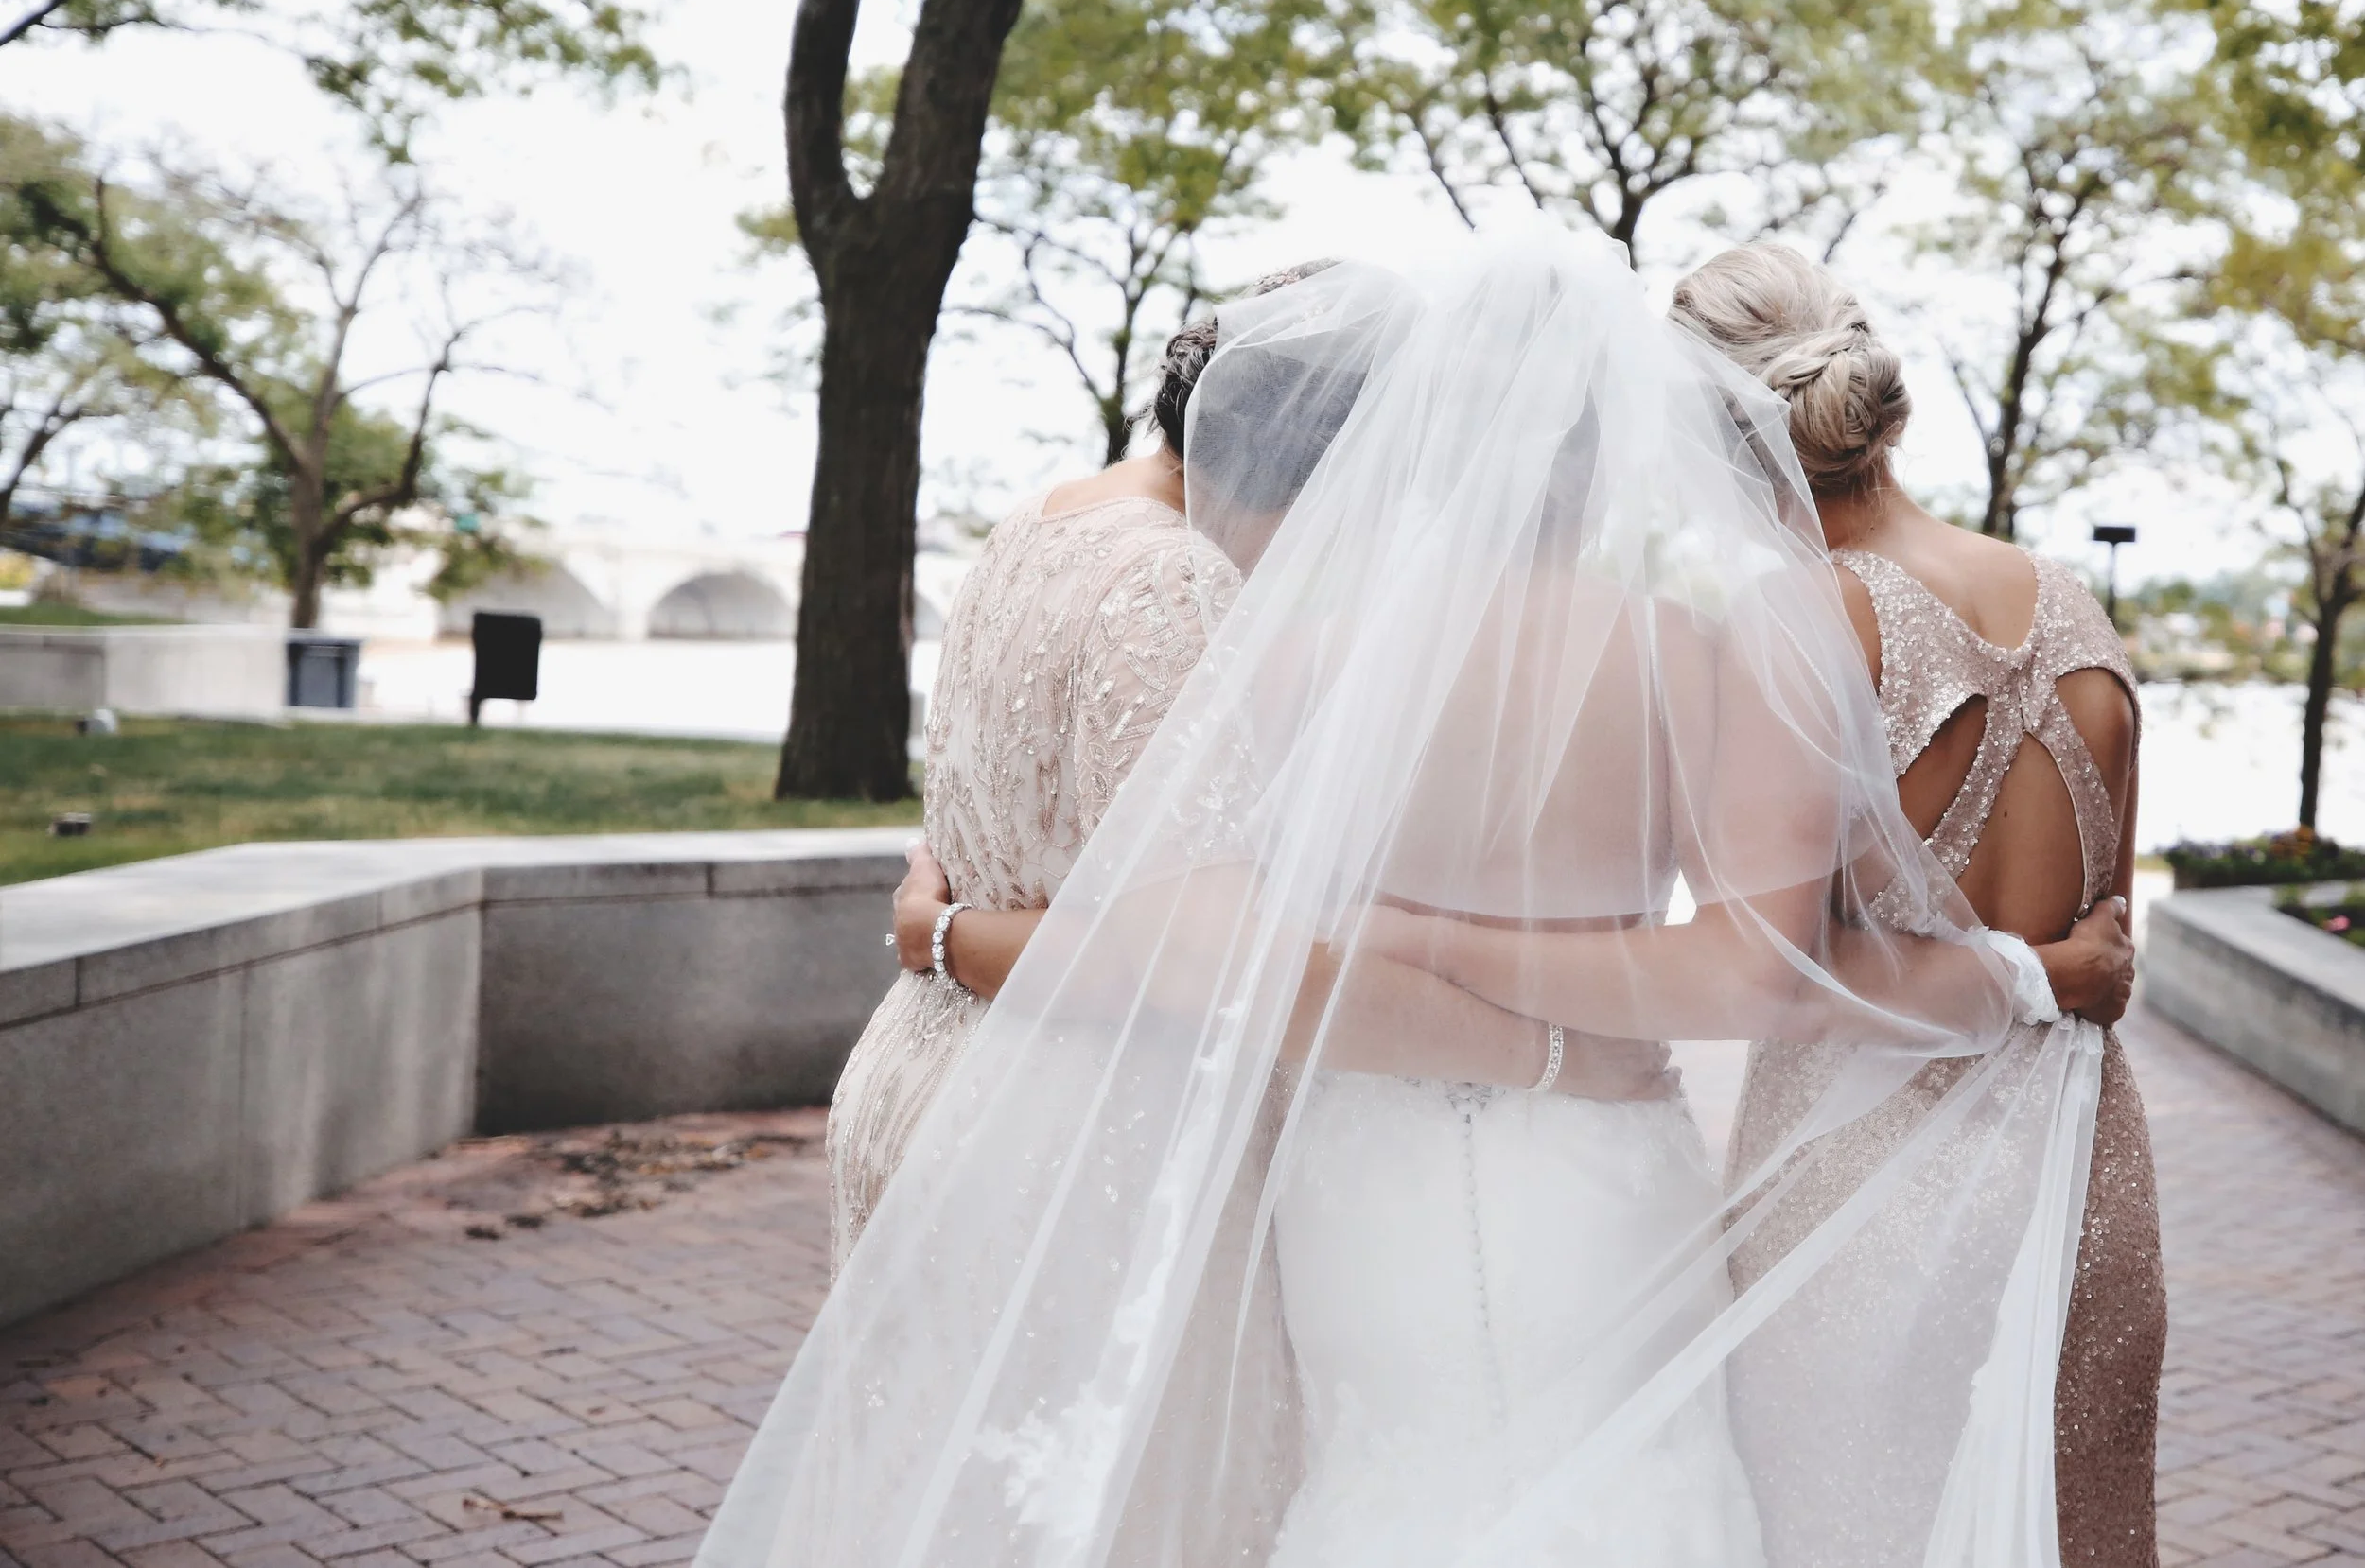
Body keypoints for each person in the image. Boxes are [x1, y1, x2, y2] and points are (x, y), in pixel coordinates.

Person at [697, 226, 2119, 1568]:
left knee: (1373, 1478)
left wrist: (953, 929)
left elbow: (1169, 920)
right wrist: (2024, 973)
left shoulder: (1295, 646)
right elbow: (1754, 964)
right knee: (1625, 1486)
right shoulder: (1703, 646)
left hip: (1353, 1160)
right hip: (1595, 1147)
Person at [831, 262, 1674, 1268]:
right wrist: (1551, 1056)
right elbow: (1208, 965)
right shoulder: (1172, 578)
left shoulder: (1042, 519)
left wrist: (943, 935)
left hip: (922, 1076)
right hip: (1073, 1134)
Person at [1667, 242, 2162, 1568]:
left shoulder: (1796, 622)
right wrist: (2046, 968)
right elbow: (2110, 943)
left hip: (1860, 1196)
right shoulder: (2075, 603)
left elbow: (1769, 974)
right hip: (2084, 1196)